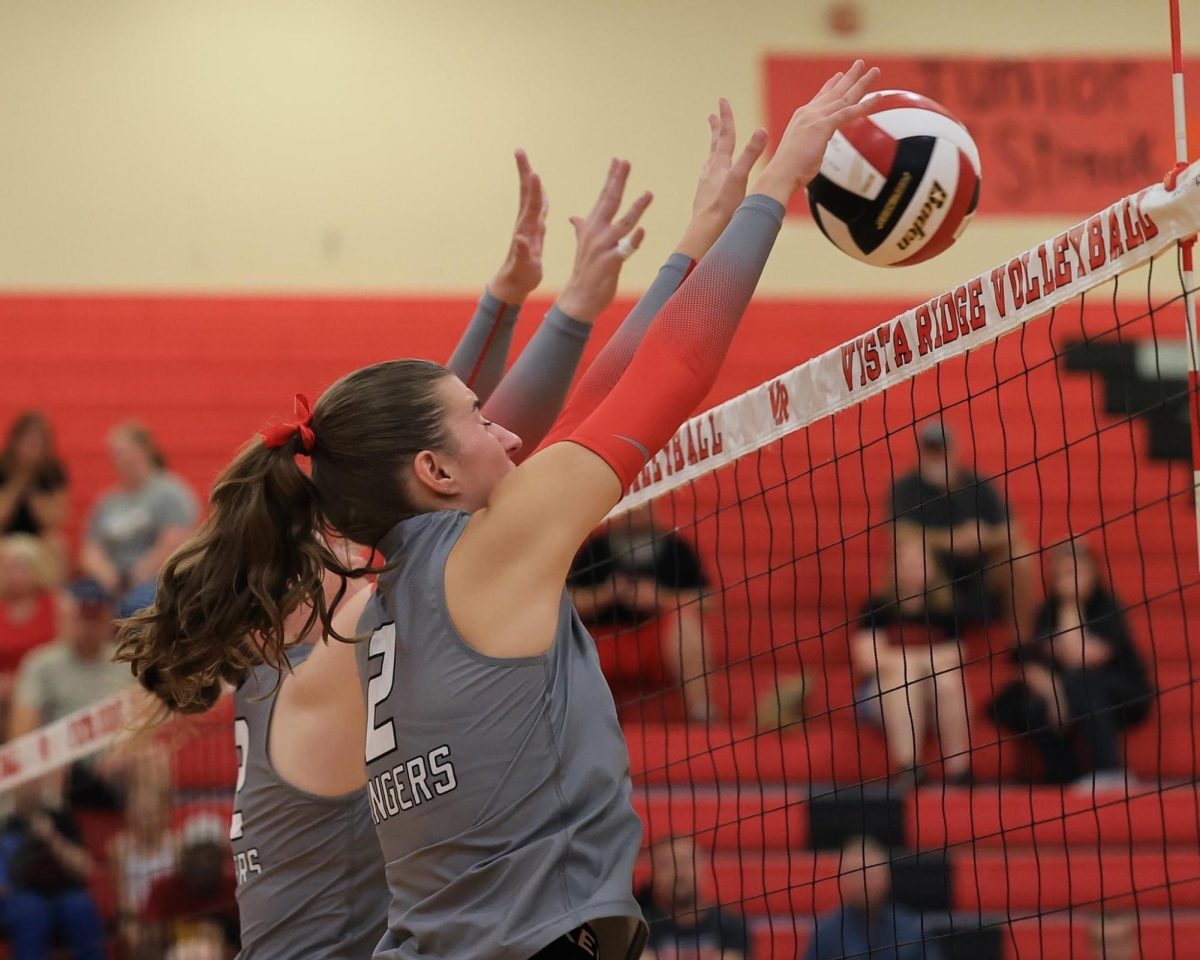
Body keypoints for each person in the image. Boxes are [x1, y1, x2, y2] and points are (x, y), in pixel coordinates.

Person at [116, 64, 880, 960]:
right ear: (434, 470)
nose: (510, 433)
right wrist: (774, 187)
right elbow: (657, 380)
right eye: (478, 418)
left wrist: (689, 241)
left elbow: (582, 404)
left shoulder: (391, 589)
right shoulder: (438, 576)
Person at [991, 540, 1152, 787]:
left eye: (1076, 572)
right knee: (1033, 709)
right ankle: (1067, 779)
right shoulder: (1045, 611)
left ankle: (1110, 770)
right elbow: (1030, 664)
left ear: (1092, 574)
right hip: (1064, 692)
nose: (1070, 579)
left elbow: (1080, 656)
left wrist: (1070, 604)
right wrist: (1056, 694)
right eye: (1064, 573)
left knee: (1082, 683)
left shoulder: (1107, 606)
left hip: (1119, 693)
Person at [568, 504, 717, 721]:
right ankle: (572, 721)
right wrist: (604, 595)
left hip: (656, 640)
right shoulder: (596, 548)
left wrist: (657, 598)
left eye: (641, 508)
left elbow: (706, 600)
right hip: (602, 640)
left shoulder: (677, 548)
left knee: (687, 623)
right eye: (630, 508)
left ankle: (701, 712)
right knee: (565, 634)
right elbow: (566, 600)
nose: (635, 514)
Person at [890, 420, 1032, 633]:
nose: (937, 457)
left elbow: (1011, 529)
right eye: (931, 450)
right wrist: (951, 540)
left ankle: (1023, 644)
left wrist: (982, 537)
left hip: (981, 568)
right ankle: (941, 634)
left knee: (1021, 557)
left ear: (954, 450)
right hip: (935, 571)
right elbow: (899, 532)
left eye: (942, 450)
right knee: (912, 553)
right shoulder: (906, 487)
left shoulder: (978, 484)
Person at [852, 536, 971, 785]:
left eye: (918, 562)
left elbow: (958, 654)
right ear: (893, 568)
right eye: (906, 562)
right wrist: (921, 662)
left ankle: (960, 772)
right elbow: (868, 659)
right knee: (903, 678)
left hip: (933, 695)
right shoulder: (878, 607)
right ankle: (910, 768)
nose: (912, 568)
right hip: (880, 695)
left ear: (931, 568)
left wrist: (906, 660)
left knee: (947, 680)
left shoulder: (945, 609)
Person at [10, 578, 133, 808]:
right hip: (60, 763)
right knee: (35, 763)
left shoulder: (127, 662)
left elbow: (144, 718)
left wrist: (125, 750)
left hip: (114, 764)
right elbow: (22, 733)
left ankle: (149, 842)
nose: (86, 626)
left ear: (109, 621)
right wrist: (47, 755)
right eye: (80, 617)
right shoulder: (41, 664)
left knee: (150, 759)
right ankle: (39, 834)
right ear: (65, 619)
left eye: (94, 617)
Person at [80, 420, 199, 617]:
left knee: (137, 604)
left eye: (121, 452)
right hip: (113, 580)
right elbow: (91, 549)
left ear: (143, 450)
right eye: (113, 454)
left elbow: (175, 542)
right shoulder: (108, 502)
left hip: (153, 579)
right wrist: (107, 577)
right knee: (80, 603)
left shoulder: (170, 492)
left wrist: (136, 575)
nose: (115, 459)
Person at [0, 780, 106, 960]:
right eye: (25, 782)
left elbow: (85, 867)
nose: (30, 786)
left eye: (35, 780)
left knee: (80, 906)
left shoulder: (61, 817)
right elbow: (6, 884)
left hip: (65, 892)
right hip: (23, 896)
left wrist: (52, 837)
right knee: (30, 911)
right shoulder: (8, 827)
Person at [806, 835, 941, 960]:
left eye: (870, 875)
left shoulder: (913, 930)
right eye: (855, 875)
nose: (863, 883)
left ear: (886, 877)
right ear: (842, 880)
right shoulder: (825, 934)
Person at [142, 813, 239, 957]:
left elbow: (248, 941)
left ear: (221, 857)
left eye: (210, 854)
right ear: (184, 856)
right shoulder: (163, 889)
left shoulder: (235, 889)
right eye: (197, 853)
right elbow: (148, 942)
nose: (203, 862)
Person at [639, 836, 747, 959]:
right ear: (653, 874)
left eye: (687, 861)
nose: (679, 871)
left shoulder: (730, 925)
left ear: (703, 867)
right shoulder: (639, 929)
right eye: (667, 864)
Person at [110, 776, 178, 959]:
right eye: (139, 812)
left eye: (149, 812)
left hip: (170, 915)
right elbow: (122, 899)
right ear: (129, 814)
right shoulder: (120, 847)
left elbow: (181, 892)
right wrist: (139, 919)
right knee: (138, 937)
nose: (144, 819)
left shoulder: (176, 844)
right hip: (135, 917)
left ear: (163, 813)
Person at [0, 411, 69, 573]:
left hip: (40, 538)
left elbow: (55, 519)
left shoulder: (53, 471)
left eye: (38, 445)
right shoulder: (3, 468)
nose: (32, 450)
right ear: (15, 442)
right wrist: (18, 481)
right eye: (28, 443)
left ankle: (58, 595)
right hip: (5, 535)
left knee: (57, 544)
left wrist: (32, 489)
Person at [0, 535, 64, 689]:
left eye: (19, 566)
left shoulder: (58, 604)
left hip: (49, 684)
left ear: (37, 567)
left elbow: (65, 654)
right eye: (6, 567)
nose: (12, 574)